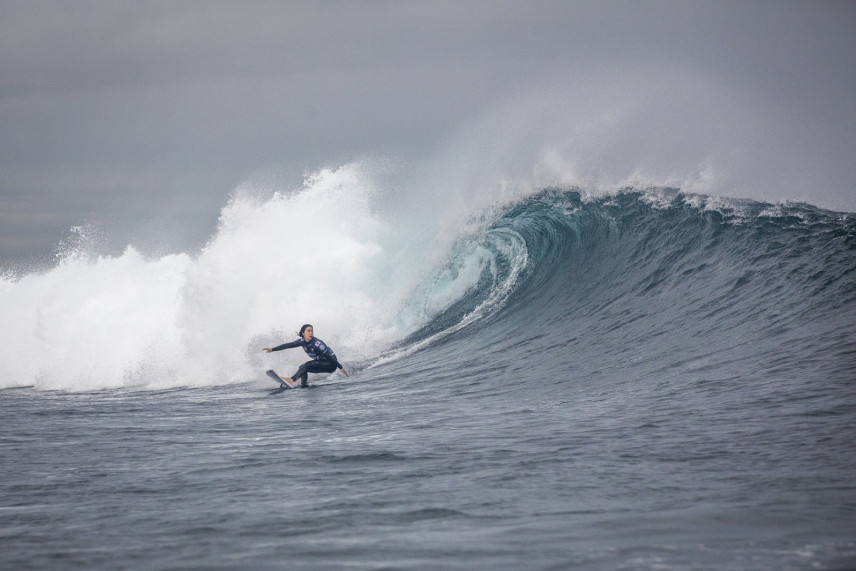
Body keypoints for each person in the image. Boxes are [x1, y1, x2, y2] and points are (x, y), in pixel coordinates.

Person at [262, 324, 348, 387]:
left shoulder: (317, 344)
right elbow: (288, 345)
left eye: (312, 331)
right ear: (303, 333)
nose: (311, 333)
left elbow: (329, 356)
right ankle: (303, 384)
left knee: (307, 365)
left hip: (331, 364)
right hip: (323, 362)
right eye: (308, 331)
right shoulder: (301, 341)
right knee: (302, 367)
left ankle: (292, 379)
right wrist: (272, 349)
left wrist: (340, 367)